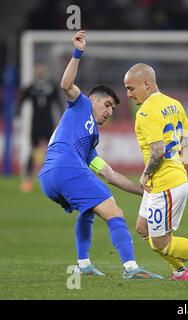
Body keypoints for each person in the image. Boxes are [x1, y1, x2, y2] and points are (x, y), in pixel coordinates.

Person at [38, 30, 162, 280]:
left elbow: (109, 174)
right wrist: (77, 53)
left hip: (48, 177)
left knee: (88, 210)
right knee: (115, 212)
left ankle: (83, 264)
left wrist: (144, 191)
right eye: (107, 105)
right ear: (93, 99)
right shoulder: (80, 103)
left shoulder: (90, 140)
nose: (110, 112)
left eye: (113, 109)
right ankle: (130, 268)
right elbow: (65, 85)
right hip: (66, 168)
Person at [123, 63, 188, 281]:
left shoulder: (146, 112)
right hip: (167, 179)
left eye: (131, 88)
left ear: (147, 84)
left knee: (160, 241)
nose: (128, 94)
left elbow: (158, 150)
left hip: (165, 182)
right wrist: (172, 149)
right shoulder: (173, 104)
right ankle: (180, 272)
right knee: (143, 228)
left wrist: (146, 174)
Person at [17, 63, 63, 193]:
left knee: (53, 150)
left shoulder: (51, 85)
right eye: (37, 69)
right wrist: (17, 116)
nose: (39, 71)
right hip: (35, 123)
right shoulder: (30, 87)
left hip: (48, 123)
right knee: (32, 149)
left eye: (41, 69)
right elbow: (21, 102)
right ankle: (28, 179)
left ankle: (55, 179)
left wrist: (62, 117)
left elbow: (58, 103)